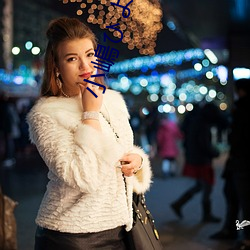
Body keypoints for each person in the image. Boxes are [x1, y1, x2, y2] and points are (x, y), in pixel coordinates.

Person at [26, 17, 152, 250]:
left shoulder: (112, 101)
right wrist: (90, 114)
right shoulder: (45, 114)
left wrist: (137, 161)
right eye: (72, 59)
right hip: (72, 235)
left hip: (120, 228)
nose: (86, 67)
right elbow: (83, 177)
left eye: (90, 55)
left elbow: (118, 151)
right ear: (56, 67)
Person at [170, 102, 227, 223]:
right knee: (206, 186)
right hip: (201, 160)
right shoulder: (202, 124)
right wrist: (215, 153)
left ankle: (179, 204)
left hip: (196, 158)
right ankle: (205, 214)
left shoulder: (197, 121)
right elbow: (204, 144)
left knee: (201, 185)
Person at [211, 78, 250, 250]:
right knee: (233, 196)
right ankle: (234, 230)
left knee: (244, 202)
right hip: (237, 162)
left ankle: (246, 236)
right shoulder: (240, 108)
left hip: (243, 163)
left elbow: (239, 138)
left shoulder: (243, 108)